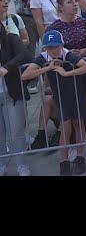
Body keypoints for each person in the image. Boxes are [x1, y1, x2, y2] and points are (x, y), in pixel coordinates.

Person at [22, 30, 86, 175]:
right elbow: (25, 75)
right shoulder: (43, 57)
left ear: (61, 45)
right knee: (65, 127)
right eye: (50, 47)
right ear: (45, 48)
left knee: (78, 124)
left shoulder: (67, 54)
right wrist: (48, 67)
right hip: (61, 97)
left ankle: (80, 156)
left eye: (56, 46)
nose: (53, 50)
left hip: (76, 94)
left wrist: (66, 73)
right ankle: (64, 160)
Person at [47, 0, 86, 159]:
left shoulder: (85, 23)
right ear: (61, 7)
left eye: (76, 1)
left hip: (84, 72)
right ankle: (72, 145)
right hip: (64, 77)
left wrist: (85, 51)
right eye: (70, 2)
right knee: (69, 113)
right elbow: (48, 52)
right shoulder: (54, 28)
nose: (75, 4)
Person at [0, 23, 32, 176]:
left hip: (11, 93)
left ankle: (21, 165)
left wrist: (7, 67)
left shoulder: (10, 39)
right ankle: (2, 165)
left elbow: (25, 54)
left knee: (17, 131)